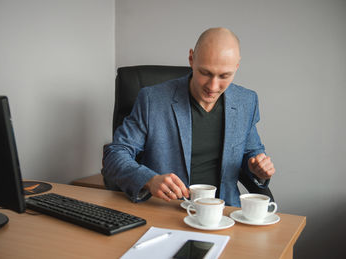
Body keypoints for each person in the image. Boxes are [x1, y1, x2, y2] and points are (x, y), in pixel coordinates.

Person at [102, 27, 275, 207]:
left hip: (224, 213)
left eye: (224, 76)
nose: (213, 86)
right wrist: (149, 180)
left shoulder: (245, 101)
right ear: (191, 59)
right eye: (205, 73)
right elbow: (114, 155)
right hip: (167, 209)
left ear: (236, 66)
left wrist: (259, 170)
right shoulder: (152, 100)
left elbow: (251, 154)